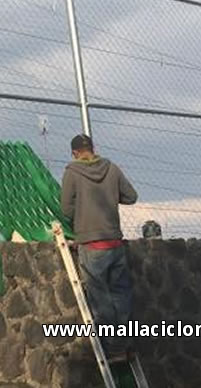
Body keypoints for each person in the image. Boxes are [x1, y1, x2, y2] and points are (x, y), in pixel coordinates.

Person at [61, 134, 139, 363]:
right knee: (122, 296)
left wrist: (83, 214)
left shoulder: (72, 172)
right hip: (115, 242)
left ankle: (114, 350)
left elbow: (66, 208)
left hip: (91, 244)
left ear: (75, 153)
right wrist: (110, 196)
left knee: (101, 300)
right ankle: (126, 345)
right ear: (93, 148)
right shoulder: (112, 168)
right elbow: (131, 197)